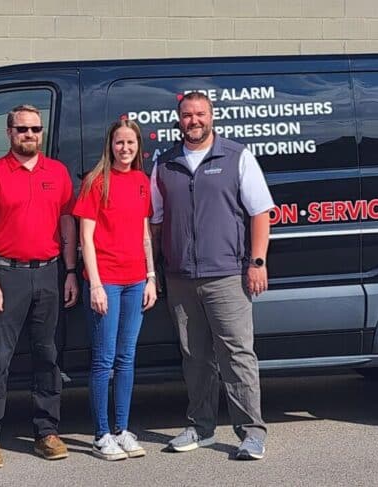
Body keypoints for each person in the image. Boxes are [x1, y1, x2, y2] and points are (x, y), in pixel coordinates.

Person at [150, 91, 274, 460]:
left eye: (200, 114)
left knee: (237, 354)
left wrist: (257, 263)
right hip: (180, 277)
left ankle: (251, 433)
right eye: (187, 115)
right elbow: (155, 223)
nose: (194, 121)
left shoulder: (237, 157)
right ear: (179, 119)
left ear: (212, 116)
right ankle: (201, 427)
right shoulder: (165, 163)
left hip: (226, 275)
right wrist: (155, 271)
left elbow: (260, 213)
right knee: (194, 356)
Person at [0, 104, 78, 468]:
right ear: (9, 133)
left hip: (48, 273)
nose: (29, 135)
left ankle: (46, 431)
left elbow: (67, 224)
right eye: (22, 129)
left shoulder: (58, 173)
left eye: (35, 129)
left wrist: (70, 271)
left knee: (47, 356)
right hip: (6, 275)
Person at [73, 120, 158, 461]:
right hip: (105, 280)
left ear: (139, 147)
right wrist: (94, 284)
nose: (125, 148)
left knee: (126, 359)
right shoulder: (96, 182)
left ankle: (122, 430)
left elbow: (145, 234)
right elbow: (86, 238)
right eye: (119, 142)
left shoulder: (141, 181)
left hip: (135, 280)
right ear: (110, 145)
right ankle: (101, 434)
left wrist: (151, 276)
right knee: (104, 360)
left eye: (131, 143)